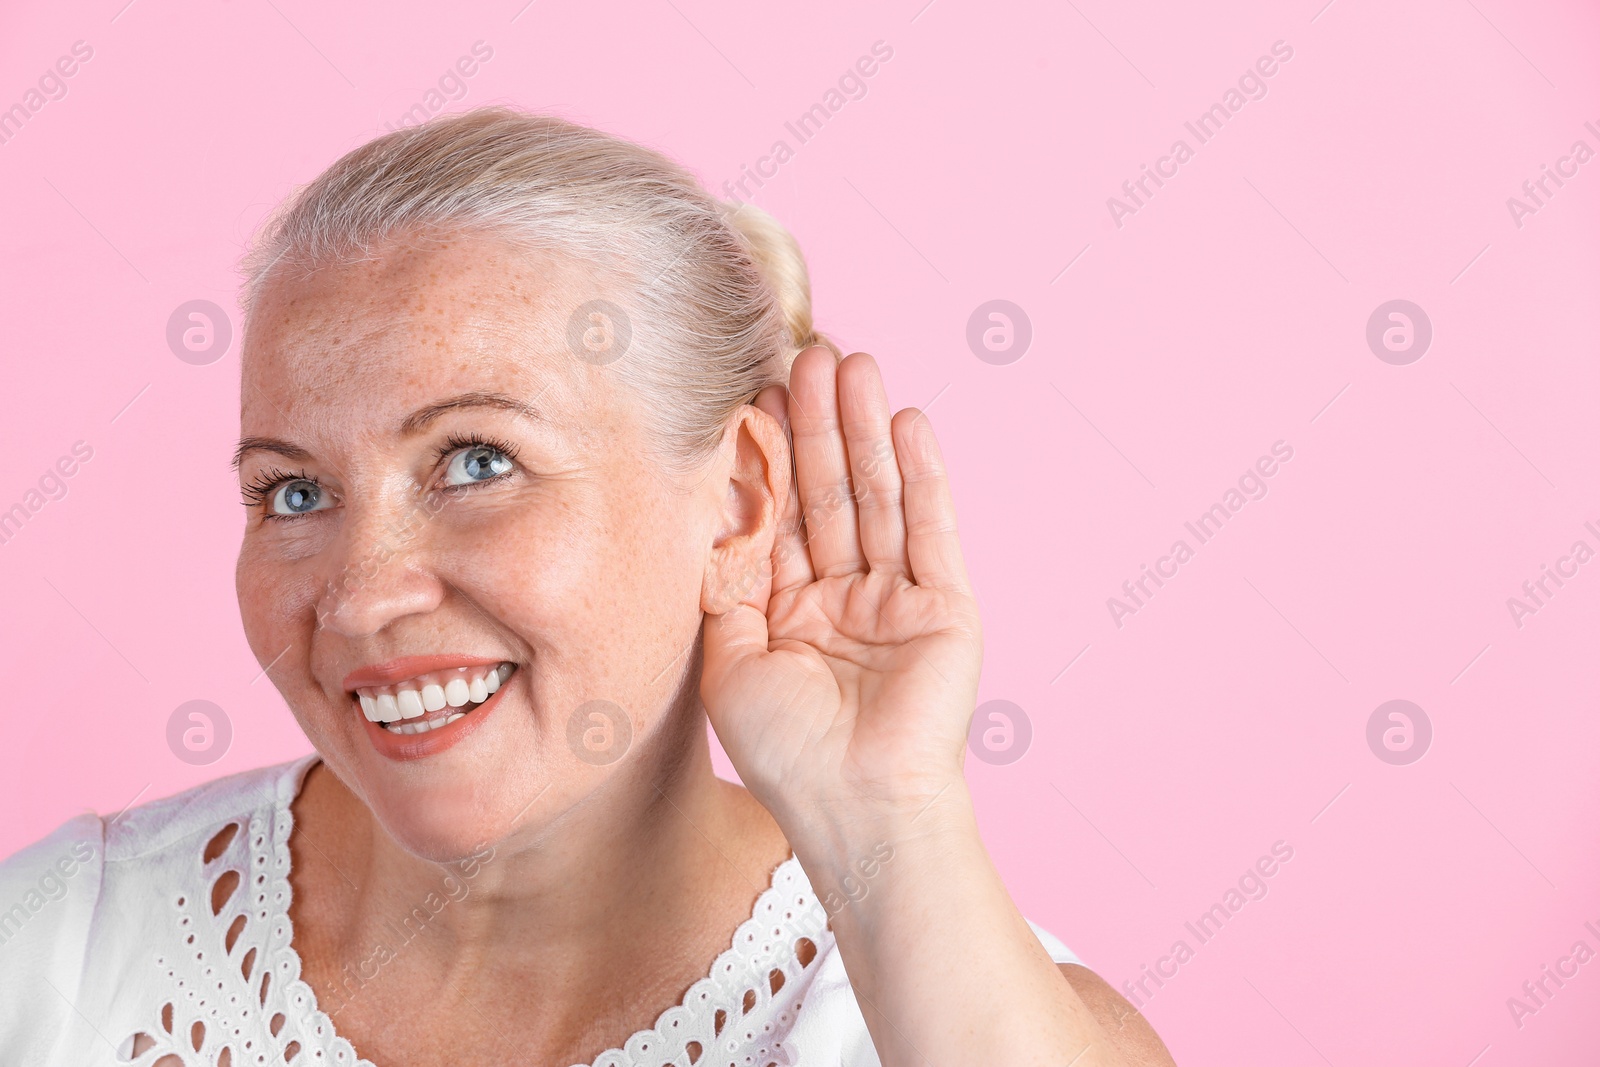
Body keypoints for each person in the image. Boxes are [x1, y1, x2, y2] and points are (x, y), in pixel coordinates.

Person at [0, 107, 1175, 1066]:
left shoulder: (946, 1015)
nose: (359, 598)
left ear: (739, 498)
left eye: (477, 461)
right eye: (294, 492)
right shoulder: (59, 950)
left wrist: (885, 820)